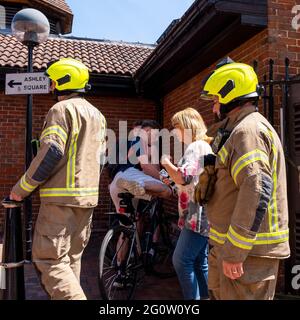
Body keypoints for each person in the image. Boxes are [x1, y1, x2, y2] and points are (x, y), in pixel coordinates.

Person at [10, 58, 107, 300]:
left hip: (60, 202)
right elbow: (102, 158)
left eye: (53, 82)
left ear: (65, 81)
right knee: (70, 262)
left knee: (49, 260)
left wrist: (20, 190)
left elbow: (51, 152)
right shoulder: (98, 115)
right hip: (87, 203)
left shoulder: (61, 110)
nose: (52, 88)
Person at [196, 57, 290, 300]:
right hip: (230, 249)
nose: (214, 107)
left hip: (247, 256)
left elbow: (256, 188)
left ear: (231, 95)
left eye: (216, 100)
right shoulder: (239, 130)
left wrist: (235, 251)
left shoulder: (248, 132)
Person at [160, 107, 212, 300]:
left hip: (195, 216)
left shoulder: (196, 146)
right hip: (201, 213)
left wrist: (166, 163)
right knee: (199, 262)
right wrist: (169, 177)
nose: (173, 131)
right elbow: (185, 182)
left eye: (176, 126)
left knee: (181, 260)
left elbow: (184, 178)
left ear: (188, 126)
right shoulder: (202, 146)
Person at [109, 119, 172, 212]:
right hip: (131, 175)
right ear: (149, 131)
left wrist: (167, 177)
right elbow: (146, 167)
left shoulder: (146, 145)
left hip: (117, 183)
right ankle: (139, 185)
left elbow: (156, 170)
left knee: (128, 222)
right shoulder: (139, 140)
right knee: (167, 191)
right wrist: (170, 181)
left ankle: (136, 187)